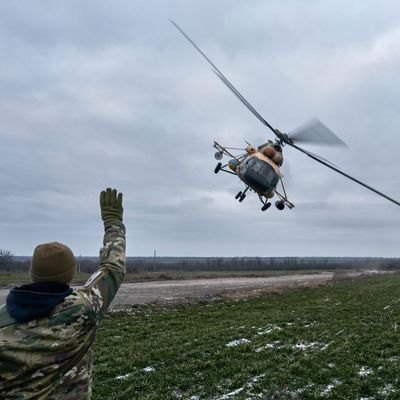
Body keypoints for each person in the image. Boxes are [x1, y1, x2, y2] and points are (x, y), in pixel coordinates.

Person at [0, 188, 126, 399]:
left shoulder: (2, 321)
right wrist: (113, 223)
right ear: (69, 274)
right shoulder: (83, 309)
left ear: (33, 273)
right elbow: (113, 268)